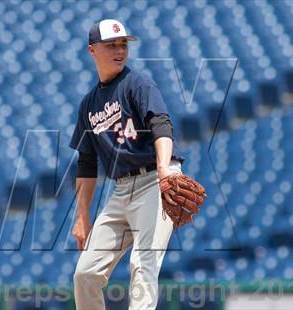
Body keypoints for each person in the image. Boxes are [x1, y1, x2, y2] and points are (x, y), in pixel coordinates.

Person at [69, 19, 185, 309]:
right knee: (85, 273)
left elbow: (161, 126)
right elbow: (86, 162)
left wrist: (163, 170)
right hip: (122, 190)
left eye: (123, 44)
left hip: (155, 181)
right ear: (92, 51)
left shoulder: (138, 84)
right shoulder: (88, 105)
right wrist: (82, 214)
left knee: (143, 262)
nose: (119, 50)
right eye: (111, 45)